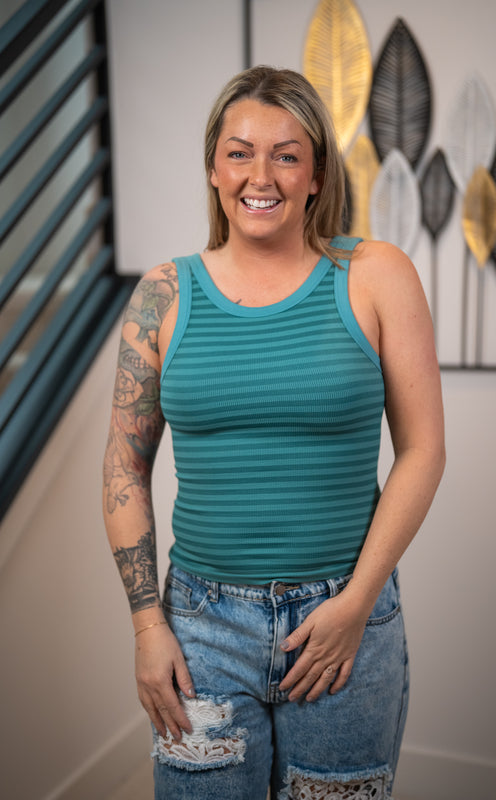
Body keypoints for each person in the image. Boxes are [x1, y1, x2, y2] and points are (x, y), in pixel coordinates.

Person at [103, 65, 445, 800]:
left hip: (342, 621)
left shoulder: (376, 275)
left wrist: (355, 603)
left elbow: (422, 451)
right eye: (239, 152)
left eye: (286, 154)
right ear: (212, 168)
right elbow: (123, 467)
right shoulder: (162, 292)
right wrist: (145, 628)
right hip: (200, 627)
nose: (262, 175)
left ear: (316, 173)